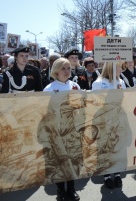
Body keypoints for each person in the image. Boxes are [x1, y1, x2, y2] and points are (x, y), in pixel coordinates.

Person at [43, 58, 80, 200]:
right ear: (56, 71)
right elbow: (45, 111)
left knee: (72, 160)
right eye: (63, 68)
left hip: (73, 129)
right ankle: (60, 191)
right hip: (57, 129)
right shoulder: (50, 88)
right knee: (59, 161)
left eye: (68, 68)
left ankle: (71, 189)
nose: (66, 71)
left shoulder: (75, 85)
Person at [92, 61, 125, 188]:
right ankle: (106, 175)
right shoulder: (98, 83)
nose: (121, 69)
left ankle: (116, 174)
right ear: (111, 67)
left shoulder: (121, 82)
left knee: (116, 146)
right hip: (102, 119)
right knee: (103, 148)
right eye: (119, 66)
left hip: (117, 118)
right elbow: (95, 102)